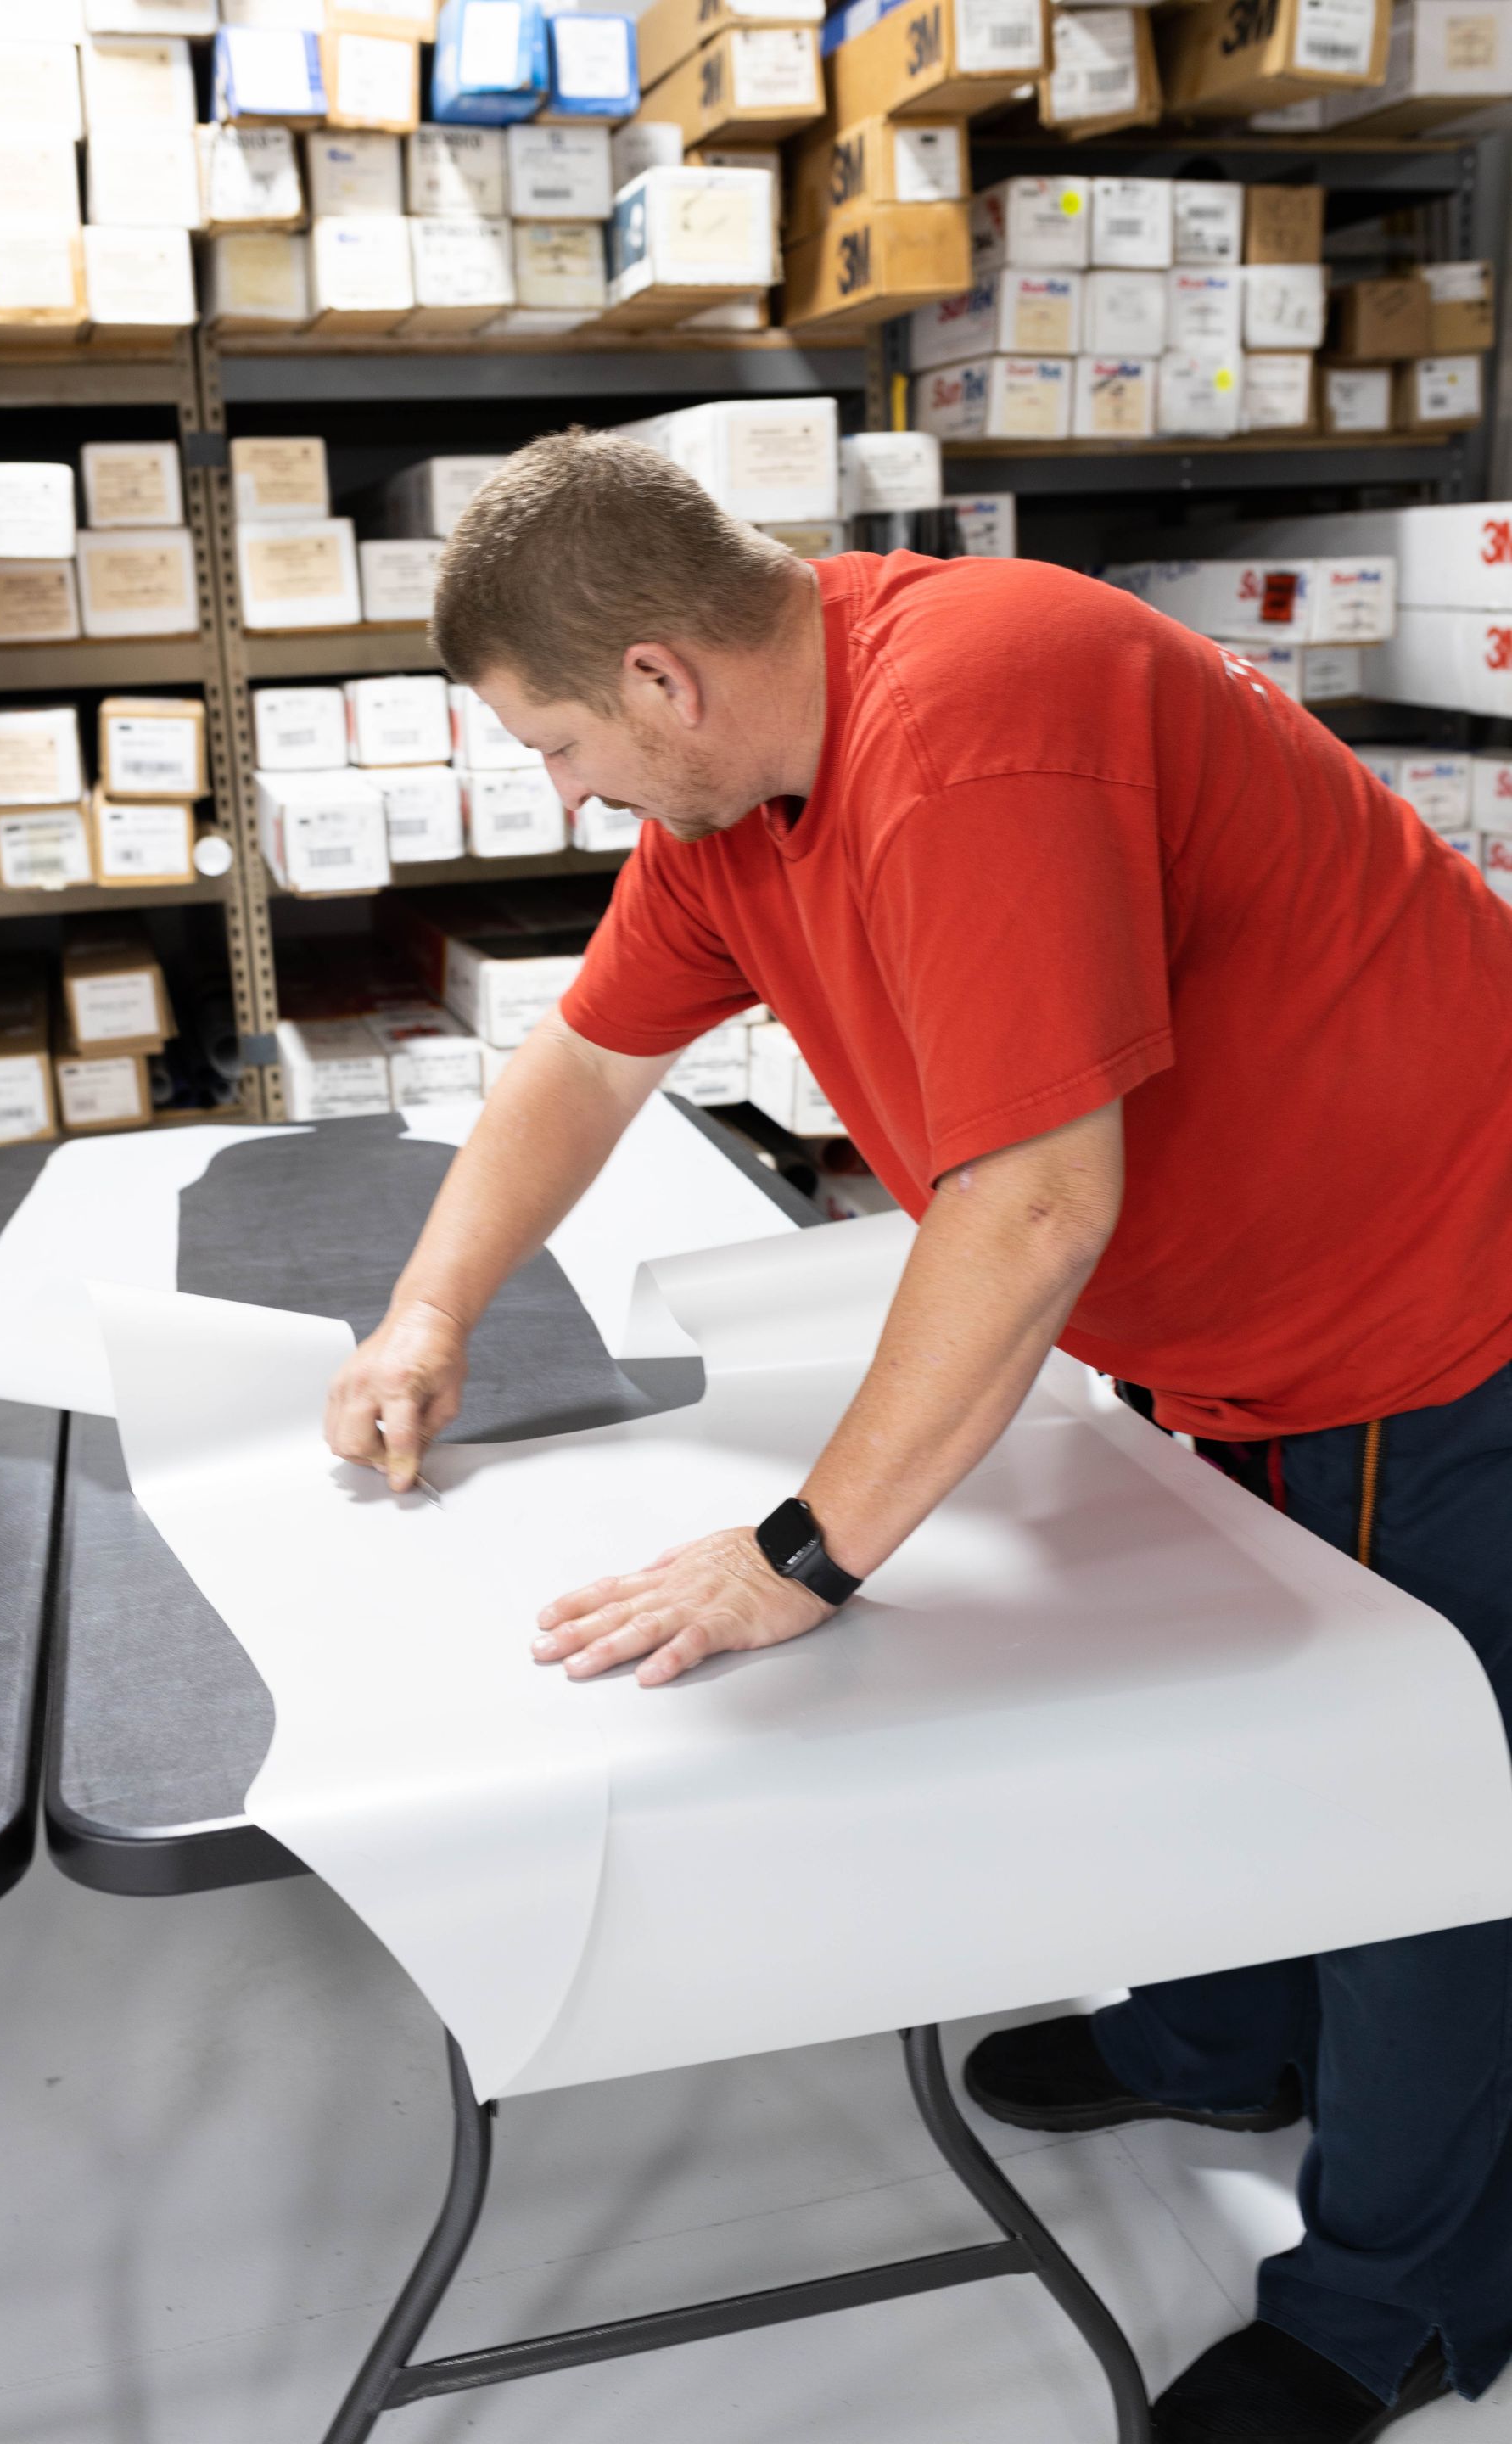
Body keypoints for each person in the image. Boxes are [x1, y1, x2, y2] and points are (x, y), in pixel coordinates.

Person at [323, 429, 1512, 2443]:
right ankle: (1226, 2039)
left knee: (1421, 1820)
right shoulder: (742, 803)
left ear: (658, 680)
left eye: (557, 745)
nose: (568, 794)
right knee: (1230, 1713)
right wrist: (430, 1304)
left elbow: (1035, 1204)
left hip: (1414, 1308)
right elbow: (585, 1064)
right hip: (1230, 1329)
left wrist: (801, 1554)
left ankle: (1399, 2304)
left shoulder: (971, 723)